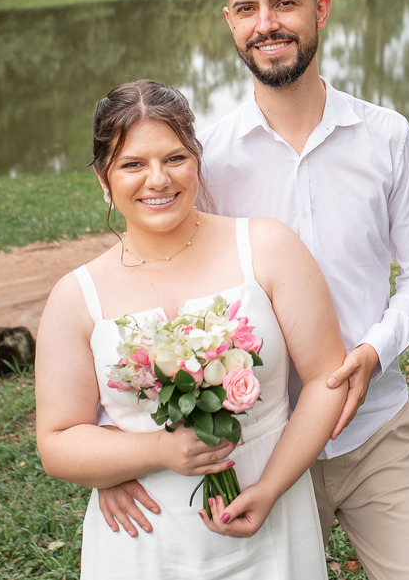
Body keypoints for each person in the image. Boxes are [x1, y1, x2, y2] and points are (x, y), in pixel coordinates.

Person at [99, 0, 409, 579]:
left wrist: (374, 351)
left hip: (377, 429)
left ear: (319, 9)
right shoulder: (207, 157)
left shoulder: (387, 137)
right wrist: (115, 448)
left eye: (284, 4)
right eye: (248, 9)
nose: (267, 25)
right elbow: (154, 289)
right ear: (229, 21)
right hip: (262, 440)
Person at [34, 79, 347, 579]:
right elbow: (57, 442)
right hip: (145, 541)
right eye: (133, 164)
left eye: (174, 158)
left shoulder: (266, 247)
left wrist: (270, 487)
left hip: (272, 521)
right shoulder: (76, 298)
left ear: (198, 159)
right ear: (103, 178)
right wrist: (155, 451)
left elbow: (327, 379)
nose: (157, 179)